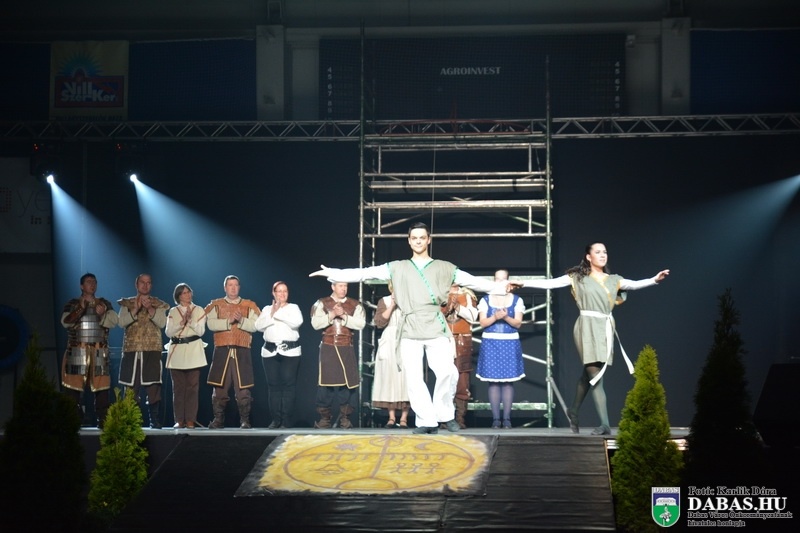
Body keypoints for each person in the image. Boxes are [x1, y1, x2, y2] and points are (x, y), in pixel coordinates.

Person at [310, 222, 506, 435]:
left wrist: (501, 288)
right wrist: (335, 273)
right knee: (413, 377)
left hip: (434, 323)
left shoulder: (445, 267)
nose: (418, 241)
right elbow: (365, 273)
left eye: (422, 237)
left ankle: (445, 415)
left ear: (428, 240)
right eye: (414, 238)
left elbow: (474, 282)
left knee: (448, 372)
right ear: (409, 241)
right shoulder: (397, 267)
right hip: (410, 326)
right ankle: (426, 420)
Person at [521, 242, 669, 435]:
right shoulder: (577, 277)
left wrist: (654, 279)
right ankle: (605, 424)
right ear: (588, 257)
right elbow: (551, 283)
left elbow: (633, 284)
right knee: (596, 375)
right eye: (598, 252)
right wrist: (523, 283)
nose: (602, 255)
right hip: (587, 326)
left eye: (605, 252)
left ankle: (573, 410)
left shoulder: (613, 279)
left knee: (589, 373)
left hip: (605, 327)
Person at [60, 273, 119, 428]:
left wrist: (103, 314)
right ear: (81, 286)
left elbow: (114, 321)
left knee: (102, 388)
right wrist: (81, 308)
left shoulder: (104, 303)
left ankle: (103, 419)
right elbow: (66, 322)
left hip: (99, 350)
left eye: (94, 282)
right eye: (88, 282)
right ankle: (73, 419)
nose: (92, 284)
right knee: (73, 389)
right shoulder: (73, 303)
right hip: (77, 350)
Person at [205, 275, 260, 429]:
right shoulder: (216, 305)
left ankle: (245, 420)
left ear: (239, 287)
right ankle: (218, 420)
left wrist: (241, 320)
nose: (233, 288)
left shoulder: (249, 305)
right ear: (225, 287)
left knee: (243, 388)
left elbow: (256, 326)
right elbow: (210, 324)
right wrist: (228, 321)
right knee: (219, 387)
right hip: (222, 349)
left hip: (242, 349)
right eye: (230, 285)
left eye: (236, 285)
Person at [310, 280, 366, 429]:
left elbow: (361, 324)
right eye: (340, 286)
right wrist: (333, 314)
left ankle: (345, 419)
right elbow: (315, 323)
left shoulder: (355, 304)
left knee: (347, 385)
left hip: (346, 346)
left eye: (345, 286)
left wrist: (344, 316)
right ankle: (324, 419)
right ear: (333, 286)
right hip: (328, 346)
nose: (343, 289)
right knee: (325, 384)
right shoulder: (322, 303)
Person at [118, 273, 170, 429]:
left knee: (153, 385)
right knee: (131, 386)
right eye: (142, 282)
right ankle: (131, 420)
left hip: (152, 349)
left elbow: (162, 323)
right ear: (137, 284)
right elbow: (121, 323)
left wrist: (150, 309)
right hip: (132, 349)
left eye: (148, 282)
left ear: (151, 285)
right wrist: (135, 309)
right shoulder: (127, 303)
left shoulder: (158, 304)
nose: (145, 285)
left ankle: (154, 419)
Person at [476, 269, 525, 429]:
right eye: (497, 279)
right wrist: (495, 317)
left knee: (508, 382)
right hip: (491, 342)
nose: (500, 282)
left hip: (509, 342)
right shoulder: (485, 300)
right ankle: (496, 419)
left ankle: (507, 419)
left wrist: (505, 317)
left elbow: (518, 323)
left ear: (508, 281)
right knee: (493, 382)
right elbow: (482, 323)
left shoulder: (517, 300)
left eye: (503, 279)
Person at [254, 281, 303, 429]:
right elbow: (258, 326)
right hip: (270, 352)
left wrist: (278, 313)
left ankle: (286, 420)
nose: (282, 294)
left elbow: (297, 322)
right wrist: (272, 314)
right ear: (273, 293)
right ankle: (276, 420)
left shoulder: (293, 308)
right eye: (279, 291)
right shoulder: (267, 309)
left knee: (289, 386)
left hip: (290, 352)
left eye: (285, 291)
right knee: (273, 387)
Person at [164, 283, 207, 429]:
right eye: (184, 293)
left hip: (193, 351)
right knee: (178, 388)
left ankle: (190, 420)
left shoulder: (198, 310)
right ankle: (179, 419)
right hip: (177, 351)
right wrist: (181, 323)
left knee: (192, 388)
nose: (187, 295)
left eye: (188, 292)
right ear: (178, 296)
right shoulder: (173, 311)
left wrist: (190, 321)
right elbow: (169, 332)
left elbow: (201, 331)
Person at [371, 283, 410, 429]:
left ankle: (404, 418)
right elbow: (379, 322)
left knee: (406, 378)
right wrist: (392, 305)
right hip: (389, 339)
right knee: (389, 377)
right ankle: (391, 417)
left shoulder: (409, 299)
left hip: (406, 337)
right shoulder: (384, 301)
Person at [444, 283, 478, 429]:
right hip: (443, 338)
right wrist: (446, 307)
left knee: (462, 380)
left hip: (462, 339)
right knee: (444, 379)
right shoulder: (439, 293)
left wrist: (458, 307)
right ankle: (444, 417)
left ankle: (459, 418)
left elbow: (473, 316)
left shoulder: (467, 296)